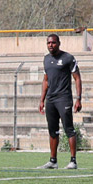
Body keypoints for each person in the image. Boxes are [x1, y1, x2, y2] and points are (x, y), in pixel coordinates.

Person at [38, 33, 83, 170]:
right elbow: (46, 80)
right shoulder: (46, 59)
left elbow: (77, 78)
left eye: (53, 42)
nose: (51, 45)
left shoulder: (68, 58)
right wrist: (42, 100)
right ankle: (53, 161)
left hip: (64, 98)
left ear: (59, 43)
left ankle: (73, 161)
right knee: (53, 130)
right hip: (50, 99)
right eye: (48, 43)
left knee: (68, 129)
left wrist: (78, 98)